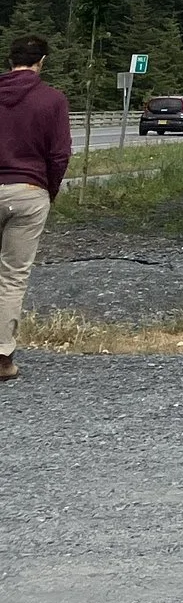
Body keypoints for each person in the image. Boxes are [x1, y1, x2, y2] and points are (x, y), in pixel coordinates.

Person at [0, 35, 73, 383]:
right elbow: (59, 154)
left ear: (9, 59)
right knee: (12, 276)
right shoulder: (52, 100)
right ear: (41, 61)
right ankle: (2, 356)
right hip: (28, 191)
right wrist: (49, 190)